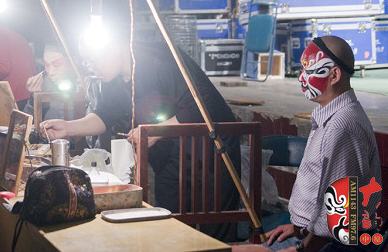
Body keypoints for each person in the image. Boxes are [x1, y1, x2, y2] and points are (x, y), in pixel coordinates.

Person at [41, 34, 241, 242]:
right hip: (169, 157)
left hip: (211, 152)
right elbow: (106, 115)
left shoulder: (160, 61)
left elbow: (202, 104)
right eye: (85, 62)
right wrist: (68, 127)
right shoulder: (112, 79)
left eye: (93, 60)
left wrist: (157, 130)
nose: (90, 68)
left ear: (116, 48)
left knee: (216, 230)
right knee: (172, 228)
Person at [235, 36, 382, 252]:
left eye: (308, 69)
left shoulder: (341, 126)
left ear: (334, 75)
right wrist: (299, 229)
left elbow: (340, 218)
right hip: (311, 237)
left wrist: (301, 249)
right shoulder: (331, 117)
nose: (300, 77)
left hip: (332, 246)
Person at [23, 44, 79, 120]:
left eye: (56, 65)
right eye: (47, 65)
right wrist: (35, 98)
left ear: (73, 62)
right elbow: (27, 119)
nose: (51, 72)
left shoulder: (84, 85)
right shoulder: (44, 84)